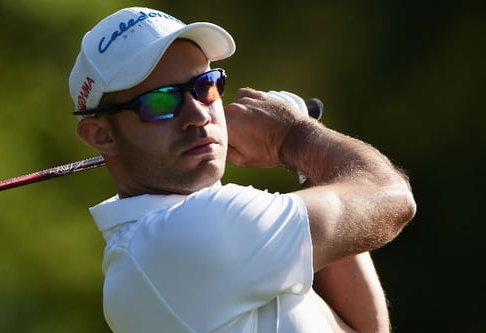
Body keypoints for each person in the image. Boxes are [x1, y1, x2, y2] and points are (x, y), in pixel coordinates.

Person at [68, 7, 416, 333]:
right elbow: (392, 198)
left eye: (205, 86)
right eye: (161, 101)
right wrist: (292, 137)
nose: (199, 115)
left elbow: (366, 328)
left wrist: (306, 164)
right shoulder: (187, 233)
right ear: (102, 134)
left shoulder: (154, 247)